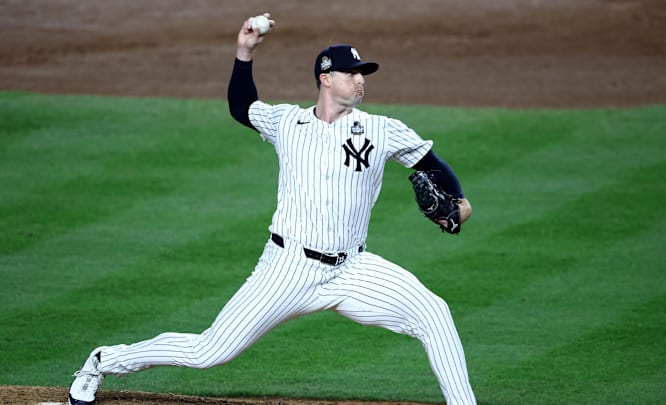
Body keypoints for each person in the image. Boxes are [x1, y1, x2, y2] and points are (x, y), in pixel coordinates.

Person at [67, 13, 476, 405]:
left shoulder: (382, 129)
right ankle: (103, 361)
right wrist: (244, 53)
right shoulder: (287, 123)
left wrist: (457, 204)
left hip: (352, 270)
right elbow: (242, 106)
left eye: (362, 73)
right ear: (326, 78)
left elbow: (432, 166)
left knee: (433, 312)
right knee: (211, 350)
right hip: (287, 267)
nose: (359, 80)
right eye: (351, 73)